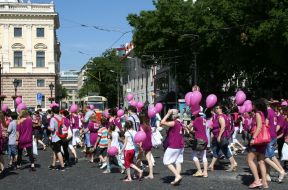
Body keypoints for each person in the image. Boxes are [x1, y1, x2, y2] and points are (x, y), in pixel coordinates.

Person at [246, 99, 269, 189]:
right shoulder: (263, 113)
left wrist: (253, 138)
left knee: (249, 159)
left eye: (253, 104)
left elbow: (259, 127)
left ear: (256, 105)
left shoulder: (258, 114)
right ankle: (264, 182)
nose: (252, 106)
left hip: (257, 140)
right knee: (261, 161)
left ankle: (256, 180)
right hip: (263, 140)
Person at [208, 104, 237, 172]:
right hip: (218, 136)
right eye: (216, 108)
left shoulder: (220, 117)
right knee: (216, 150)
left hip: (221, 136)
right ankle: (211, 165)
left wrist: (219, 136)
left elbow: (223, 126)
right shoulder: (221, 116)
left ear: (221, 109)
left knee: (225, 150)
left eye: (218, 108)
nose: (216, 109)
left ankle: (233, 164)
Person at [161, 109, 184, 186]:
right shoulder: (181, 122)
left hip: (173, 145)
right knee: (178, 161)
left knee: (166, 161)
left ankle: (177, 176)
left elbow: (162, 122)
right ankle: (176, 178)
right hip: (180, 145)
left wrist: (167, 114)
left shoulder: (174, 123)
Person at [265, 103, 286, 183]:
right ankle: (267, 175)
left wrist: (273, 134)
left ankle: (281, 171)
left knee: (267, 156)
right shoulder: (275, 114)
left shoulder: (280, 116)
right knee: (270, 156)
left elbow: (278, 127)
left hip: (272, 136)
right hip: (274, 136)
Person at [188, 110, 209, 178]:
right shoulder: (204, 119)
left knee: (193, 155)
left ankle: (199, 170)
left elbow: (189, 127)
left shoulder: (196, 119)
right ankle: (205, 172)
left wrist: (190, 130)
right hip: (205, 138)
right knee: (204, 156)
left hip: (198, 139)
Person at [48, 106, 65, 171]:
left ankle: (62, 166)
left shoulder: (53, 119)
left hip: (55, 137)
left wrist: (48, 127)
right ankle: (53, 165)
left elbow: (52, 129)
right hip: (60, 136)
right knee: (55, 151)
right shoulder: (61, 117)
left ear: (52, 111)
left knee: (58, 152)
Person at [139, 112, 154, 179]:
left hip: (144, 143)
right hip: (149, 143)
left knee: (139, 159)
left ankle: (138, 173)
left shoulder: (141, 126)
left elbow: (141, 136)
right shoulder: (149, 126)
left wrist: (140, 145)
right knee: (149, 159)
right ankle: (151, 174)